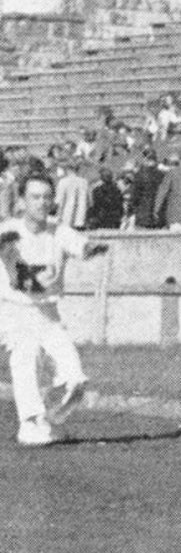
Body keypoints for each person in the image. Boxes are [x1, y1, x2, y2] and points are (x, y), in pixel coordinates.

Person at [0, 172, 107, 446]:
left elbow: (80, 245)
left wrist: (91, 248)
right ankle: (30, 423)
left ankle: (49, 419)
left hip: (48, 314)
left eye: (47, 197)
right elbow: (17, 278)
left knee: (75, 379)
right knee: (26, 359)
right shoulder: (9, 231)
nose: (42, 202)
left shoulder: (58, 230)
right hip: (14, 312)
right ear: (22, 201)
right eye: (35, 197)